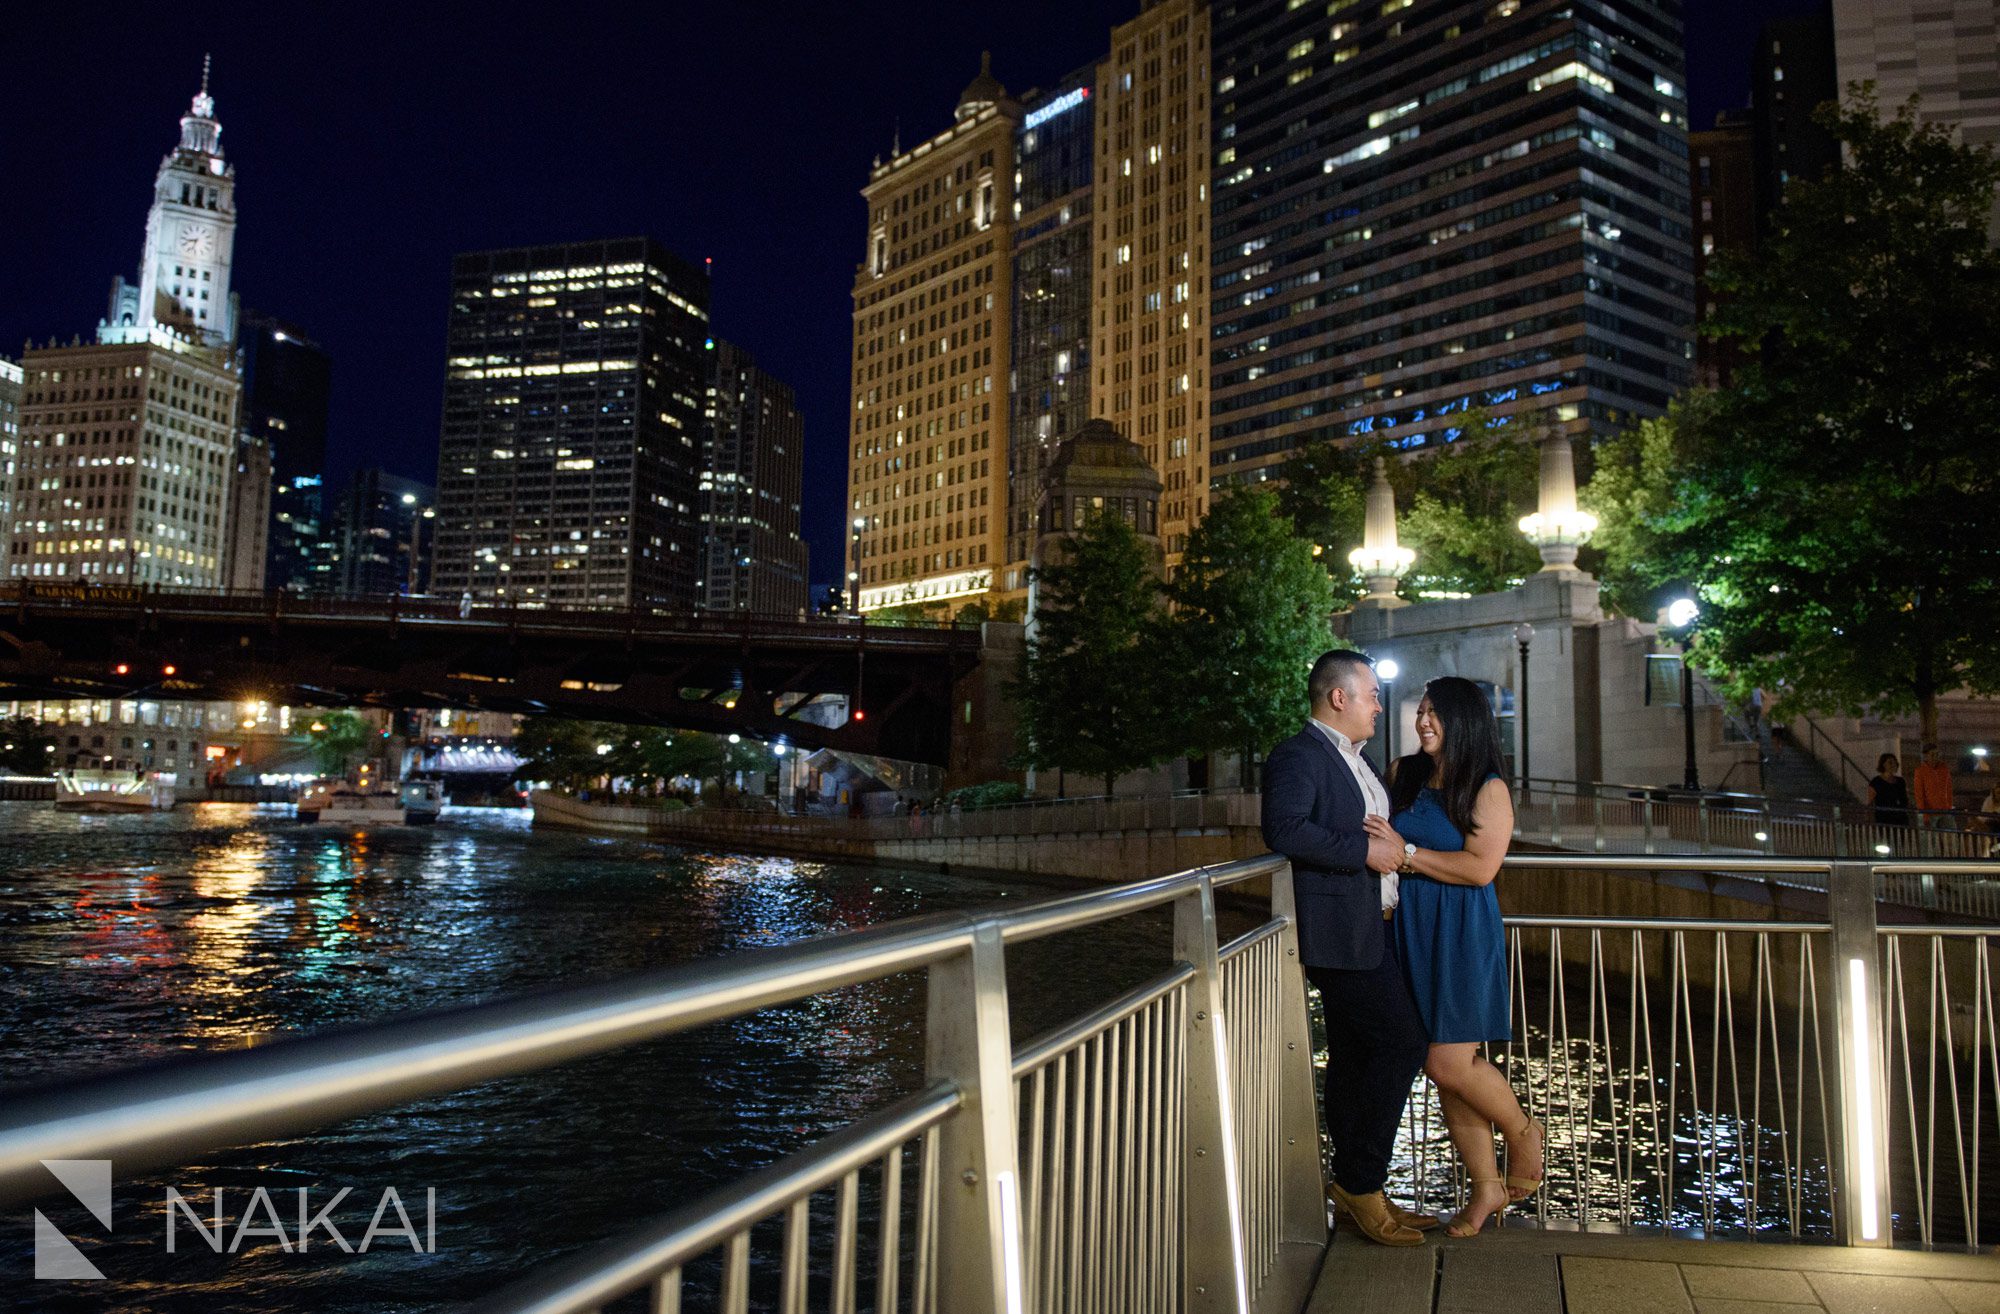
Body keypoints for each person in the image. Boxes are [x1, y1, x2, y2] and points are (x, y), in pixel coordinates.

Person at [1261, 650, 1433, 1247]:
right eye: (1372, 696)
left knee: (1359, 1052)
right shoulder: (1299, 754)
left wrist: (1392, 849)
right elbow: (1284, 828)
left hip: (1375, 925)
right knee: (1401, 1041)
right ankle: (1360, 1184)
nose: (1380, 705)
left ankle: (1362, 1187)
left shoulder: (1358, 763)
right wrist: (1365, 854)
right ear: (1340, 698)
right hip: (1340, 933)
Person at [1366, 676, 1543, 1238]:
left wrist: (1409, 854)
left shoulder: (1487, 787)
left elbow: (1480, 869)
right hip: (1410, 927)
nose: (1423, 722)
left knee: (1449, 1062)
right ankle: (1486, 1186)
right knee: (1444, 1068)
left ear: (1464, 721)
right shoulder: (1404, 773)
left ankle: (1521, 1131)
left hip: (1462, 932)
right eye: (1421, 711)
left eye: (1435, 714)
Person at [1910, 743, 1954, 828]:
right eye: (1932, 754)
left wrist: (1949, 807)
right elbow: (1919, 794)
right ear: (1926, 755)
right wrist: (1924, 814)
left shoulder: (1944, 769)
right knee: (1930, 838)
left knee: (1950, 836)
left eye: (1937, 754)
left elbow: (1948, 789)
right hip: (1930, 811)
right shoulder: (1920, 771)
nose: (1935, 757)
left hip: (1944, 809)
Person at [1868, 753, 1911, 829]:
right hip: (1884, 820)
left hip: (1901, 819)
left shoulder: (1901, 781)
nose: (1893, 765)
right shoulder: (1876, 782)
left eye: (1895, 762)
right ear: (1883, 764)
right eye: (1890, 762)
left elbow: (1906, 798)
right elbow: (1871, 803)